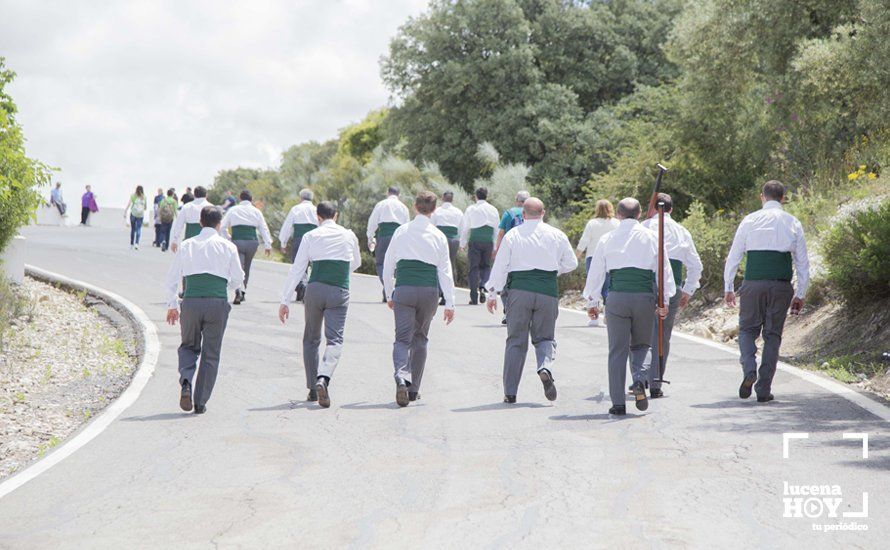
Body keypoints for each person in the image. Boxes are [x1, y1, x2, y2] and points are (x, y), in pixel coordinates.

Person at [584, 198, 674, 416]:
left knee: (617, 350)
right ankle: (640, 379)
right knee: (643, 346)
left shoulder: (607, 238)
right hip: (644, 296)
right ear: (641, 213)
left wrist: (592, 302)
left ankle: (618, 403)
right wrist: (665, 301)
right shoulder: (653, 237)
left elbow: (596, 272)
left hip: (616, 297)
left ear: (618, 214)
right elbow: (663, 271)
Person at [485, 197, 577, 404]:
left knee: (516, 341)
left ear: (523, 214)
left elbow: (500, 266)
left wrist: (492, 293)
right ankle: (545, 366)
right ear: (543, 213)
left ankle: (510, 392)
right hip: (547, 291)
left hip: (519, 292)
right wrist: (554, 271)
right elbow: (571, 262)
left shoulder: (512, 235)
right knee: (545, 337)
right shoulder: (557, 235)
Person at [724, 180, 809, 403]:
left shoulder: (750, 220)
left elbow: (734, 256)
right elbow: (802, 263)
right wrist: (800, 293)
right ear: (782, 198)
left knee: (747, 331)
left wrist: (728, 287)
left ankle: (749, 369)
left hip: (753, 284)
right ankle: (763, 389)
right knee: (773, 335)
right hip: (781, 286)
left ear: (762, 197)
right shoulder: (793, 222)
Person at [278, 201, 361, 408]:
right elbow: (356, 262)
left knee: (311, 339)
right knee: (335, 340)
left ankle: (313, 389)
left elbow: (297, 269)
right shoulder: (349, 235)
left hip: (314, 290)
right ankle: (324, 377)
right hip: (339, 290)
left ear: (318, 217)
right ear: (337, 215)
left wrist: (285, 300)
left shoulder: (310, 236)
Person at [164, 205, 244, 414]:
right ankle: (200, 402)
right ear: (219, 225)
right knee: (211, 353)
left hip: (190, 302)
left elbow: (172, 279)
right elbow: (238, 278)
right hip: (217, 303)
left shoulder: (187, 245)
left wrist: (172, 305)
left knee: (188, 346)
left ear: (200, 223)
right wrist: (226, 287)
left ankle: (186, 382)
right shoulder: (228, 247)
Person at [382, 191, 456, 407]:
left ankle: (401, 376)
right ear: (434, 210)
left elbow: (388, 265)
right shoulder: (439, 236)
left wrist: (389, 293)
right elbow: (445, 271)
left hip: (404, 289)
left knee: (402, 339)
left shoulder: (401, 231)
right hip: (428, 291)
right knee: (420, 338)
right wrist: (450, 303)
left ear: (414, 206)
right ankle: (413, 390)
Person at [640, 193, 703, 397]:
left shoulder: (643, 227)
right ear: (671, 210)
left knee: (640, 335)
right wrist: (687, 290)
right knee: (662, 336)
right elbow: (696, 265)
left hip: (644, 286)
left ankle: (639, 378)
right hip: (672, 287)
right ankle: (656, 382)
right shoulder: (681, 231)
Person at [220, 190, 272, 304]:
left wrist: (228, 238)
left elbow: (222, 226)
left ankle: (238, 290)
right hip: (252, 242)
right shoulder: (256, 211)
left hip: (237, 241)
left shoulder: (233, 210)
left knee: (238, 267)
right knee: (246, 268)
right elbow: (263, 228)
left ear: (240, 198)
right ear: (251, 199)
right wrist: (268, 244)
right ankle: (243, 292)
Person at [576, 199, 620, 326]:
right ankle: (608, 316)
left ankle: (594, 318)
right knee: (608, 287)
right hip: (611, 258)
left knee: (593, 286)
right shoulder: (616, 223)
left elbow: (583, 242)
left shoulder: (592, 223)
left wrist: (576, 257)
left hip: (593, 257)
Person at [367, 187, 410, 302]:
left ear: (387, 193)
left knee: (381, 263)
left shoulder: (381, 204)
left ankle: (389, 288)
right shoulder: (403, 207)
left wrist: (370, 237)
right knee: (396, 263)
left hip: (384, 236)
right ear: (399, 195)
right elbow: (407, 225)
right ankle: (388, 291)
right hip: (399, 237)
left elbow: (372, 222)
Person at [493, 191, 530, 324]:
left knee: (505, 283)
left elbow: (501, 233)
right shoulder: (532, 212)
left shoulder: (509, 213)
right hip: (527, 253)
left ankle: (507, 312)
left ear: (516, 200)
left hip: (510, 252)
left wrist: (497, 250)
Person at [459, 187, 500, 305]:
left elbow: (466, 227)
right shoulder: (493, 209)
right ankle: (483, 286)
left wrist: (462, 243)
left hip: (475, 240)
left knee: (473, 268)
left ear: (476, 196)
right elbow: (497, 229)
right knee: (486, 266)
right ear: (486, 196)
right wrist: (495, 247)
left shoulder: (471, 209)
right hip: (488, 240)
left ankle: (474, 297)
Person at [279, 188, 318, 302]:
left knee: (298, 264)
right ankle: (304, 287)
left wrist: (283, 242)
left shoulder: (296, 209)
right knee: (311, 264)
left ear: (301, 198)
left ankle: (302, 286)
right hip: (314, 239)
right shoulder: (316, 210)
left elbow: (287, 226)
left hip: (299, 239)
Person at [429, 191, 463, 306]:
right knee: (450, 265)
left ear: (442, 198)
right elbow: (461, 229)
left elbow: (431, 226)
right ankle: (447, 295)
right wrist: (462, 243)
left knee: (437, 265)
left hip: (439, 239)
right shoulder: (458, 212)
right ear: (452, 199)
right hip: (453, 240)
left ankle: (438, 291)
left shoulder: (437, 211)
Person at [170, 186, 212, 252]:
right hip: (207, 239)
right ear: (206, 195)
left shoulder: (187, 206)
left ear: (194, 195)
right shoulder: (211, 207)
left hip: (190, 238)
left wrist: (175, 240)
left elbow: (179, 225)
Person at [125, 185, 148, 250]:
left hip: (133, 214)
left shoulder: (133, 196)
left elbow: (129, 204)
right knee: (138, 229)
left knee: (133, 229)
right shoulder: (144, 197)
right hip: (140, 215)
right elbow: (145, 208)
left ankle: (131, 244)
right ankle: (137, 244)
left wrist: (125, 211)